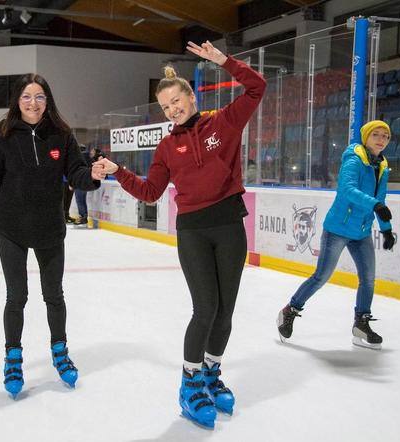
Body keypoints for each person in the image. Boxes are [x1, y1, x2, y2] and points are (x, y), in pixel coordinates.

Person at [94, 41, 266, 429]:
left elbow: (257, 88)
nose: (173, 110)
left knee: (225, 312)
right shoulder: (167, 147)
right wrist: (118, 171)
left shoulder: (223, 123)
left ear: (191, 96)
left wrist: (224, 61)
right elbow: (151, 192)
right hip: (193, 232)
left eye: (176, 101)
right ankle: (190, 384)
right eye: (166, 107)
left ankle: (211, 373)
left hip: (228, 227)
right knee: (205, 309)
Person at [0, 73, 104, 399]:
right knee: (17, 296)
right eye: (27, 96)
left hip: (49, 227)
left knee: (53, 294)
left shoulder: (62, 135)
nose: (33, 103)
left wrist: (93, 175)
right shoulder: (2, 136)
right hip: (11, 228)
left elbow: (76, 173)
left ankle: (60, 350)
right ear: (17, 100)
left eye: (39, 97)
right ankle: (13, 357)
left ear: (48, 100)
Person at [276, 120, 394, 350]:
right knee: (321, 277)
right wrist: (375, 205)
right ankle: (290, 310)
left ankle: (361, 323)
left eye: (385, 136)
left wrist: (386, 229)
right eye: (376, 135)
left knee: (368, 279)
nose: (381, 139)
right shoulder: (354, 159)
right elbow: (348, 190)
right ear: (366, 137)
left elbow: (381, 200)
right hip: (338, 229)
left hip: (361, 232)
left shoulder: (382, 166)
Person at [73, 145, 106, 226]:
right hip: (90, 181)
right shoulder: (90, 158)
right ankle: (84, 217)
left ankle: (83, 217)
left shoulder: (80, 157)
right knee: (82, 200)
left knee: (80, 199)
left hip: (81, 181)